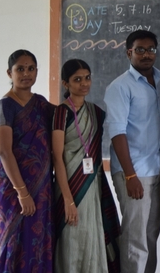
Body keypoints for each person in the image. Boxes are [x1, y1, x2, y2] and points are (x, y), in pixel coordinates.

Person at [104, 30, 160, 273]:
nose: (146, 54)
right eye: (140, 50)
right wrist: (130, 175)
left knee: (150, 237)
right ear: (129, 52)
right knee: (135, 240)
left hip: (156, 169)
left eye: (151, 49)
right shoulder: (120, 87)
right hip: (133, 173)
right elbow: (117, 133)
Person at [52, 59, 121, 272]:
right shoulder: (61, 113)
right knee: (71, 237)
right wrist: (68, 200)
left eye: (87, 78)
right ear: (66, 84)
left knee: (92, 233)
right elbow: (57, 157)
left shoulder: (96, 112)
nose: (84, 83)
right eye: (77, 79)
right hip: (69, 186)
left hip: (92, 185)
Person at [0, 49, 54, 273]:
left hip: (42, 188)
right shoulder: (4, 106)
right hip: (14, 188)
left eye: (31, 68)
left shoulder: (41, 104)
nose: (26, 73)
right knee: (16, 242)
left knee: (39, 242)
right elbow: (4, 152)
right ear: (10, 73)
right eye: (20, 69)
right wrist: (22, 193)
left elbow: (63, 119)